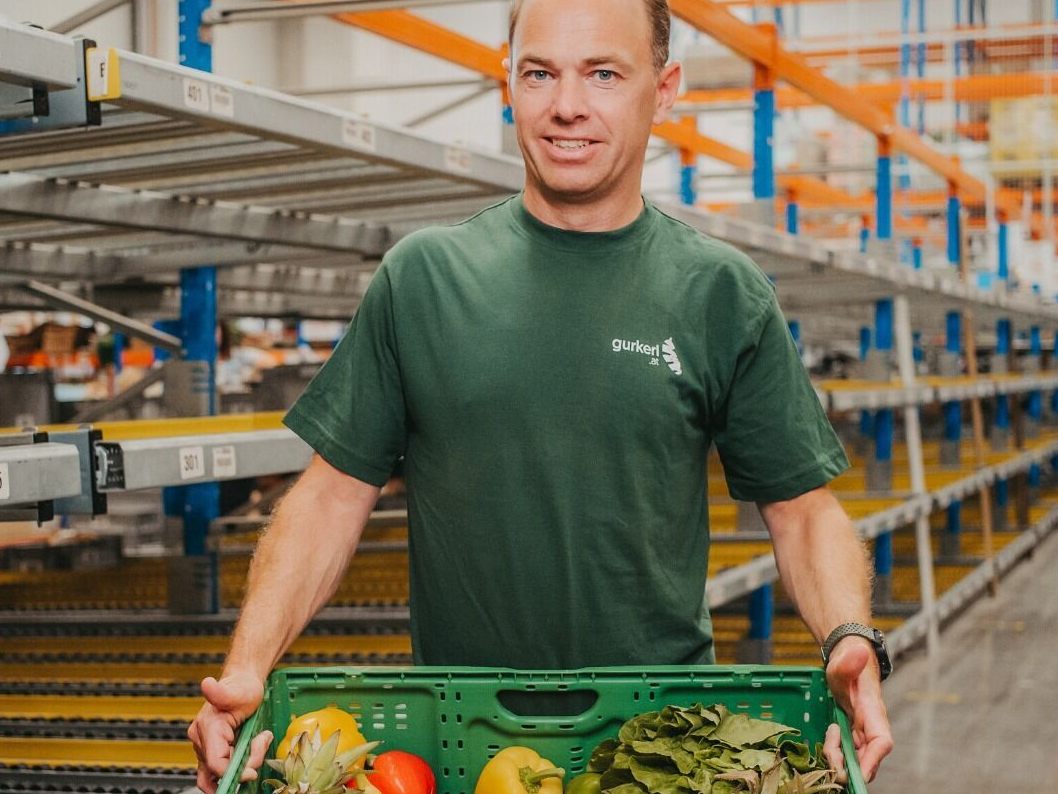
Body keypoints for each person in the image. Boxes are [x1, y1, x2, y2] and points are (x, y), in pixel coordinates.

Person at [187, 0, 893, 789]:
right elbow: (329, 497)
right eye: (539, 73)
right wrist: (247, 667)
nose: (567, 105)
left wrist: (848, 636)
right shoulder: (425, 280)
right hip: (460, 743)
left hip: (665, 751)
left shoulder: (720, 294)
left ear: (664, 90)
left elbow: (802, 511)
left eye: (603, 74)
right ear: (509, 85)